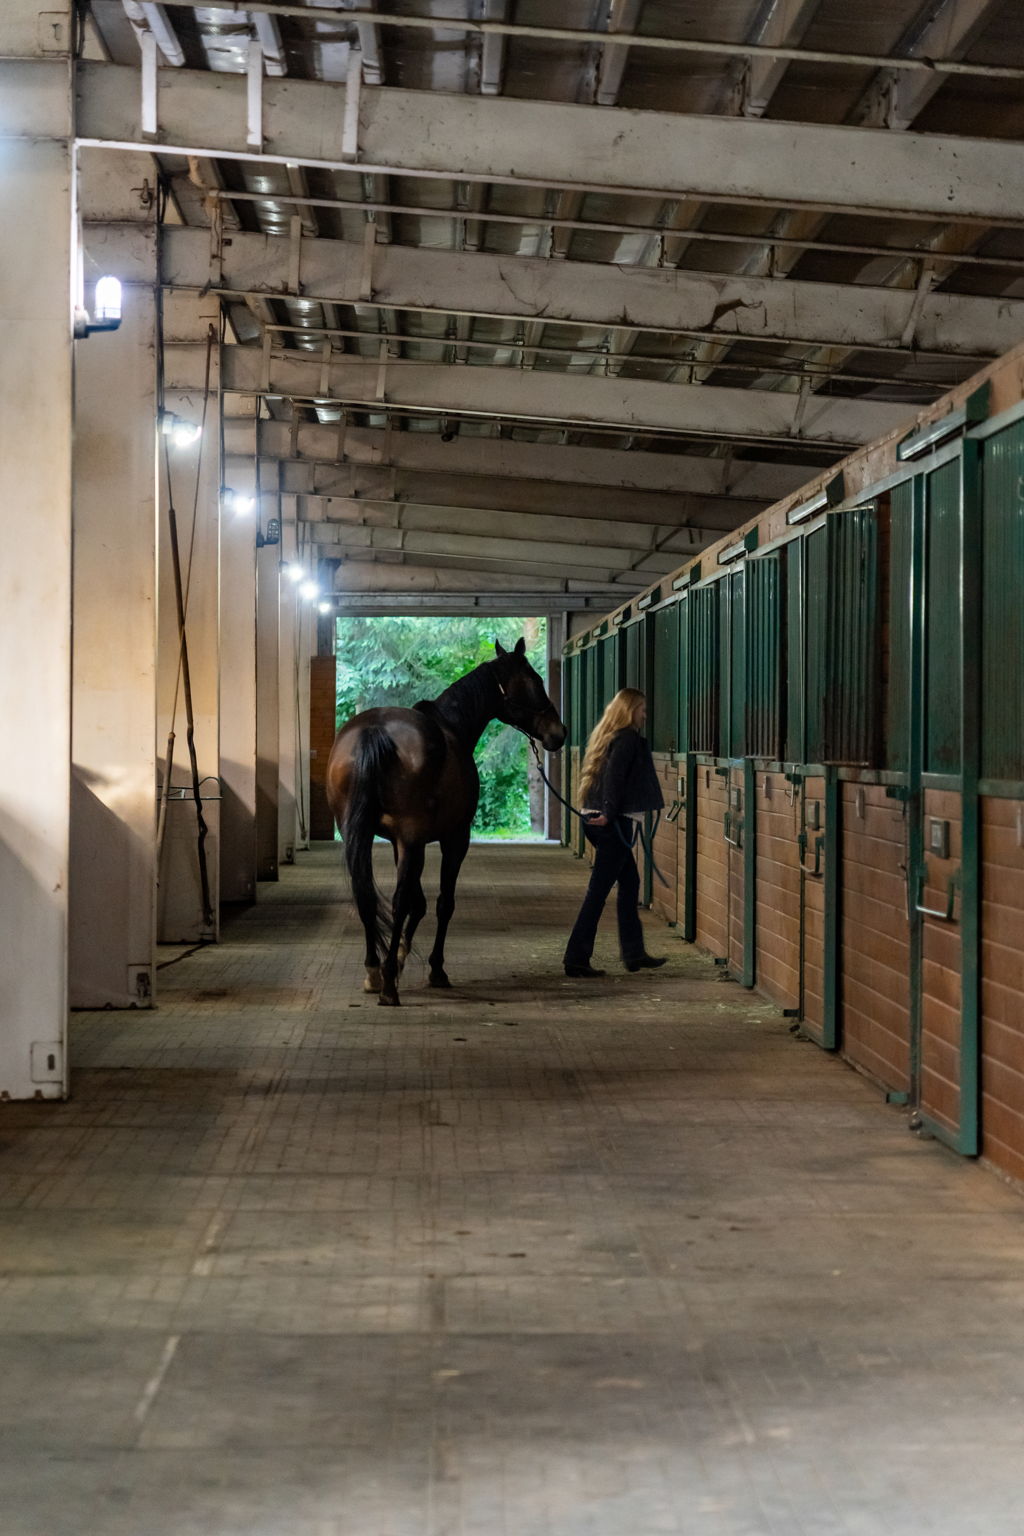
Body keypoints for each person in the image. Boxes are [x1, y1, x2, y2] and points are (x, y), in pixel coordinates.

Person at [563, 687, 667, 978]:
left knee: (630, 881)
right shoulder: (627, 739)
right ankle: (576, 958)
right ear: (629, 710)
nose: (645, 714)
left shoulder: (609, 737)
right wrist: (609, 813)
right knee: (597, 892)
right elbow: (615, 778)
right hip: (611, 823)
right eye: (642, 708)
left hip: (596, 819)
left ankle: (634, 953)